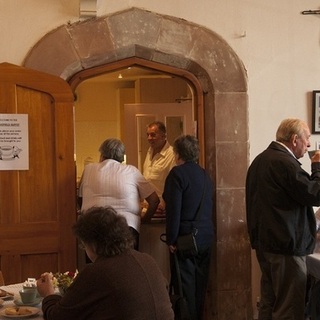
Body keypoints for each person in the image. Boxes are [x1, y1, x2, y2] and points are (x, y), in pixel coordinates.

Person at [36, 206, 174, 320]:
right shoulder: (147, 260)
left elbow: (58, 317)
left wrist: (48, 294)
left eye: (84, 245)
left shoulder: (97, 271)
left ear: (93, 244)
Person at [246, 118, 320, 320]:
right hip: (286, 247)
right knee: (289, 308)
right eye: (306, 140)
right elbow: (316, 193)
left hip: (266, 244)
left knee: (269, 304)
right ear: (295, 139)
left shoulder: (261, 159)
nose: (308, 145)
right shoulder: (284, 163)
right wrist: (317, 167)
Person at [163, 134, 214, 320]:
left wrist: (171, 239)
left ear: (177, 154)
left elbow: (173, 210)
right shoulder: (205, 175)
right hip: (205, 237)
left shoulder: (177, 174)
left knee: (184, 288)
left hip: (184, 239)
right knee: (200, 287)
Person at [78, 138, 159, 249]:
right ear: (121, 157)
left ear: (102, 154)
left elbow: (80, 197)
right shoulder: (131, 171)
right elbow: (154, 200)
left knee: (98, 265)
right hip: (126, 227)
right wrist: (145, 219)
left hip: (94, 227)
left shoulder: (88, 169)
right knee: (126, 264)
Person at [143, 121, 176, 212]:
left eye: (153, 135)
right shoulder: (149, 152)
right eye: (148, 135)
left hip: (161, 209)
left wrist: (164, 204)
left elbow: (174, 185)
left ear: (163, 136)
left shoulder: (172, 155)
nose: (149, 138)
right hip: (147, 207)